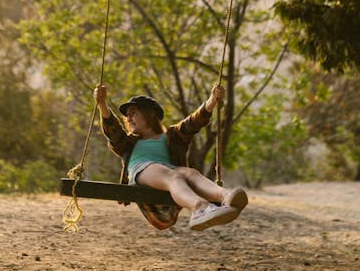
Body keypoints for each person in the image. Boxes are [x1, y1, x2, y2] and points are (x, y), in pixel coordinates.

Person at [94, 83, 248, 231]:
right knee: (172, 175)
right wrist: (102, 104)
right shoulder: (128, 142)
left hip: (169, 172)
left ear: (150, 115)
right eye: (127, 116)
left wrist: (213, 100)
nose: (128, 118)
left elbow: (193, 122)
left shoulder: (172, 136)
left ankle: (226, 197)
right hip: (142, 170)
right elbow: (112, 130)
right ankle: (200, 208)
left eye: (133, 113)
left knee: (190, 173)